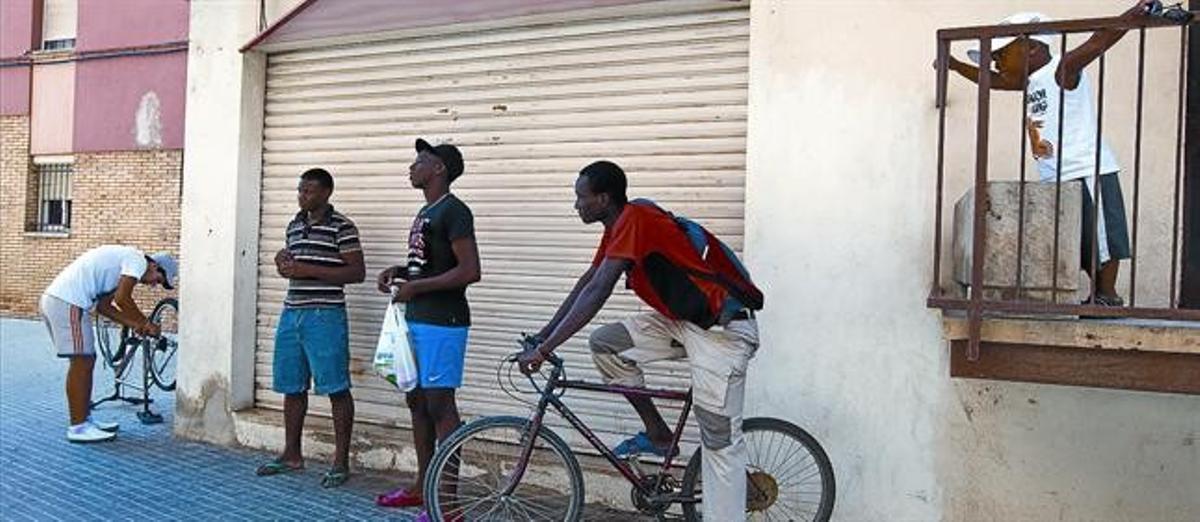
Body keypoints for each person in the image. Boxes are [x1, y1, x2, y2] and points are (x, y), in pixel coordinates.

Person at [518, 160, 761, 521]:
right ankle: (659, 434)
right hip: (682, 323)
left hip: (721, 333)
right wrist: (544, 335)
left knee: (719, 443)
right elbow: (588, 282)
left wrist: (545, 350)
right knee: (606, 344)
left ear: (603, 198)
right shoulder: (617, 226)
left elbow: (600, 290)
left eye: (581, 198)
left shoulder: (636, 219)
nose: (576, 205)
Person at [943, 1, 1157, 306]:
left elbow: (1099, 41)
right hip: (1055, 174)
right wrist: (953, 65)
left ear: (1031, 49)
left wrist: (1135, 16)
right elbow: (993, 81)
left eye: (1001, 55)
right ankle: (1093, 293)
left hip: (1086, 168)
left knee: (1103, 237)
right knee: (1077, 237)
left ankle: (1107, 295)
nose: (996, 63)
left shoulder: (1060, 70)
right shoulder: (1030, 81)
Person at [375, 139, 480, 520]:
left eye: (420, 160)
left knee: (440, 405)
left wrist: (416, 287)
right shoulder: (425, 211)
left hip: (444, 322)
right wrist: (400, 272)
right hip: (417, 317)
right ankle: (423, 487)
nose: (412, 166)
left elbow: (470, 271)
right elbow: (431, 265)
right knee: (416, 401)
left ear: (439, 169)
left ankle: (450, 506)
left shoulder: (455, 211)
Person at [255, 168, 365, 489]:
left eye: (310, 191)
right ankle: (292, 454)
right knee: (292, 386)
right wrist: (284, 262)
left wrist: (306, 269)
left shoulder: (341, 227)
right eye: (300, 190)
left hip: (325, 315)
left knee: (336, 387)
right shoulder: (294, 224)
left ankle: (340, 461)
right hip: (292, 312)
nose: (303, 196)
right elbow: (294, 267)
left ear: (327, 193)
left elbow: (356, 272)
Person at [40, 245, 177, 443]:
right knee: (82, 362)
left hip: (63, 302)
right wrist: (146, 324)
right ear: (155, 266)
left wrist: (135, 324)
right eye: (159, 280)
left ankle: (85, 419)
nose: (154, 285)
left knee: (86, 361)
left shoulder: (122, 268)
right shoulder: (137, 260)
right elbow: (123, 299)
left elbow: (105, 307)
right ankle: (78, 428)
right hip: (68, 302)